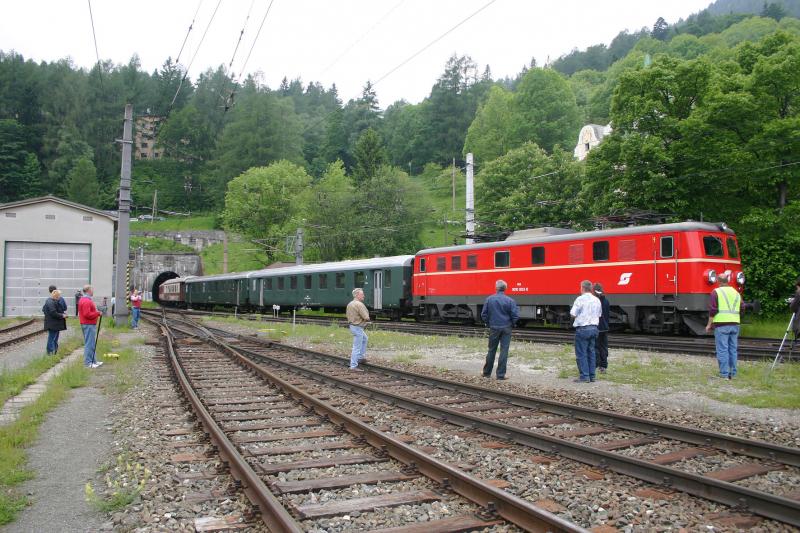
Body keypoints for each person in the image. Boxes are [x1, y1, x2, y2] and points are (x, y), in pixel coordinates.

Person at [480, 279, 519, 380]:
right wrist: (511, 324)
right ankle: (501, 375)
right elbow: (515, 316)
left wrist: (489, 323)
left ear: (496, 288)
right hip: (506, 328)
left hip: (494, 328)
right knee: (504, 351)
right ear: (505, 288)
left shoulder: (489, 299)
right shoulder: (510, 300)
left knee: (491, 350)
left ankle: (486, 373)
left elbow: (484, 314)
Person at [705, 273, 740, 379]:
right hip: (735, 324)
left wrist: (709, 324)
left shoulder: (716, 292)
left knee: (722, 350)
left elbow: (713, 310)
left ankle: (724, 374)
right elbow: (742, 307)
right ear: (728, 281)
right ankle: (733, 374)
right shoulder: (736, 292)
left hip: (721, 325)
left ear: (718, 281)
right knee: (733, 349)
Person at [570, 280, 602, 383]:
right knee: (591, 352)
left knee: (581, 353)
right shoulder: (597, 300)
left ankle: (584, 376)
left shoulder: (580, 299)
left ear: (582, 288)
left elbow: (573, 314)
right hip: (594, 328)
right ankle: (592, 376)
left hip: (583, 329)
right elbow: (599, 314)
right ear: (591, 288)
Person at [78, 285, 103, 369]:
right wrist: (97, 313)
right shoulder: (86, 301)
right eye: (92, 290)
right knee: (89, 343)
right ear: (88, 290)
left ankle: (93, 360)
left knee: (91, 343)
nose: (93, 291)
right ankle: (88, 362)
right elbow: (87, 314)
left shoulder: (85, 299)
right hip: (88, 324)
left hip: (88, 324)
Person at [346, 288, 370, 371]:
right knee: (356, 346)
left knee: (365, 339)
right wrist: (367, 319)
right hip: (358, 327)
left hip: (353, 326)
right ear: (357, 295)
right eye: (362, 294)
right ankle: (353, 366)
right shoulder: (359, 304)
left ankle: (360, 357)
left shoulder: (350, 304)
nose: (363, 295)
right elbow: (366, 317)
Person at [43, 289, 67, 355]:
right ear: (56, 296)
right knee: (52, 338)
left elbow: (44, 310)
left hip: (54, 323)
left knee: (53, 338)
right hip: (52, 324)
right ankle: (50, 352)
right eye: (59, 296)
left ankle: (54, 351)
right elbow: (53, 312)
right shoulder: (50, 302)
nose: (60, 297)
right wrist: (62, 315)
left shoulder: (50, 301)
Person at [594, 282, 611, 373]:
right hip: (604, 327)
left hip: (596, 327)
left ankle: (596, 364)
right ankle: (603, 366)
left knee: (595, 346)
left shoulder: (595, 301)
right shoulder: (606, 301)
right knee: (603, 347)